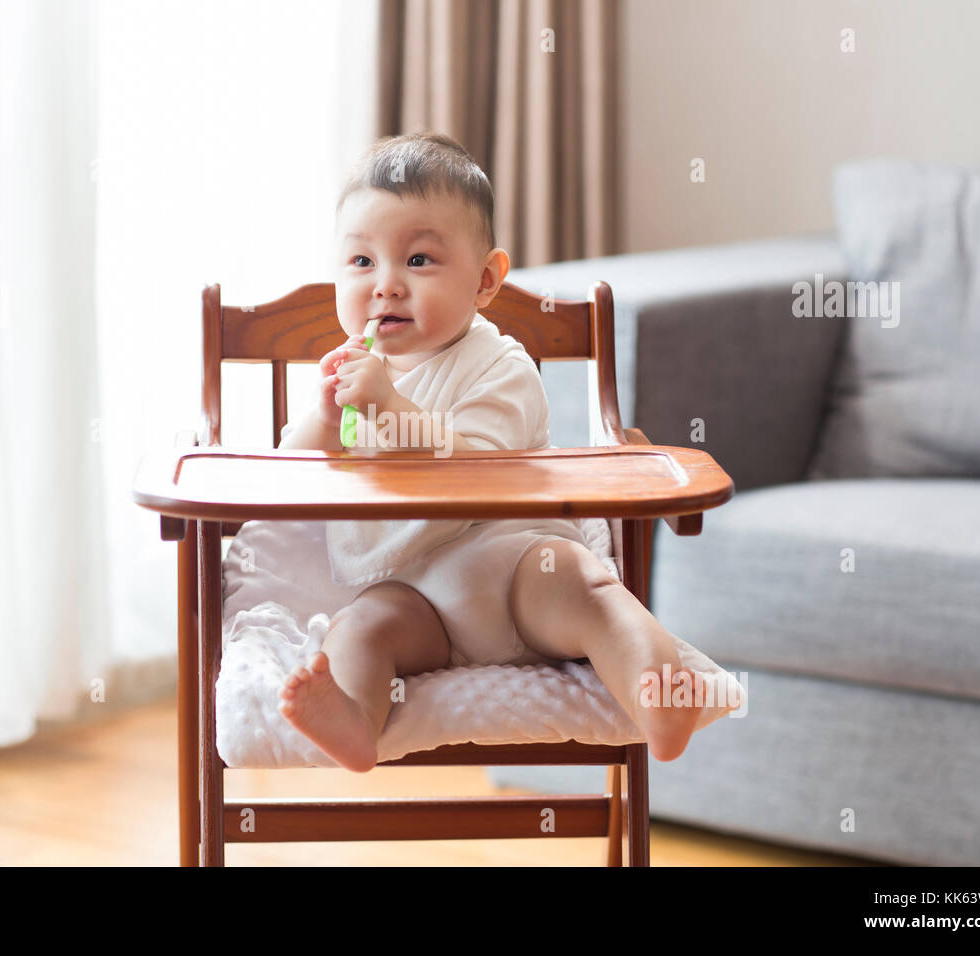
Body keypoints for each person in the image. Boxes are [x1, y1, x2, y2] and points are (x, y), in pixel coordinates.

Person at [277, 131, 712, 771]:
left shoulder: (502, 365)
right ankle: (352, 718)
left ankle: (659, 694)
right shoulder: (349, 377)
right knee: (361, 629)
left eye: (419, 261)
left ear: (485, 280)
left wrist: (390, 410)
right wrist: (320, 419)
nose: (387, 285)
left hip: (515, 572)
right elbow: (288, 475)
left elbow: (476, 467)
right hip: (414, 597)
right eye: (362, 262)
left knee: (589, 589)